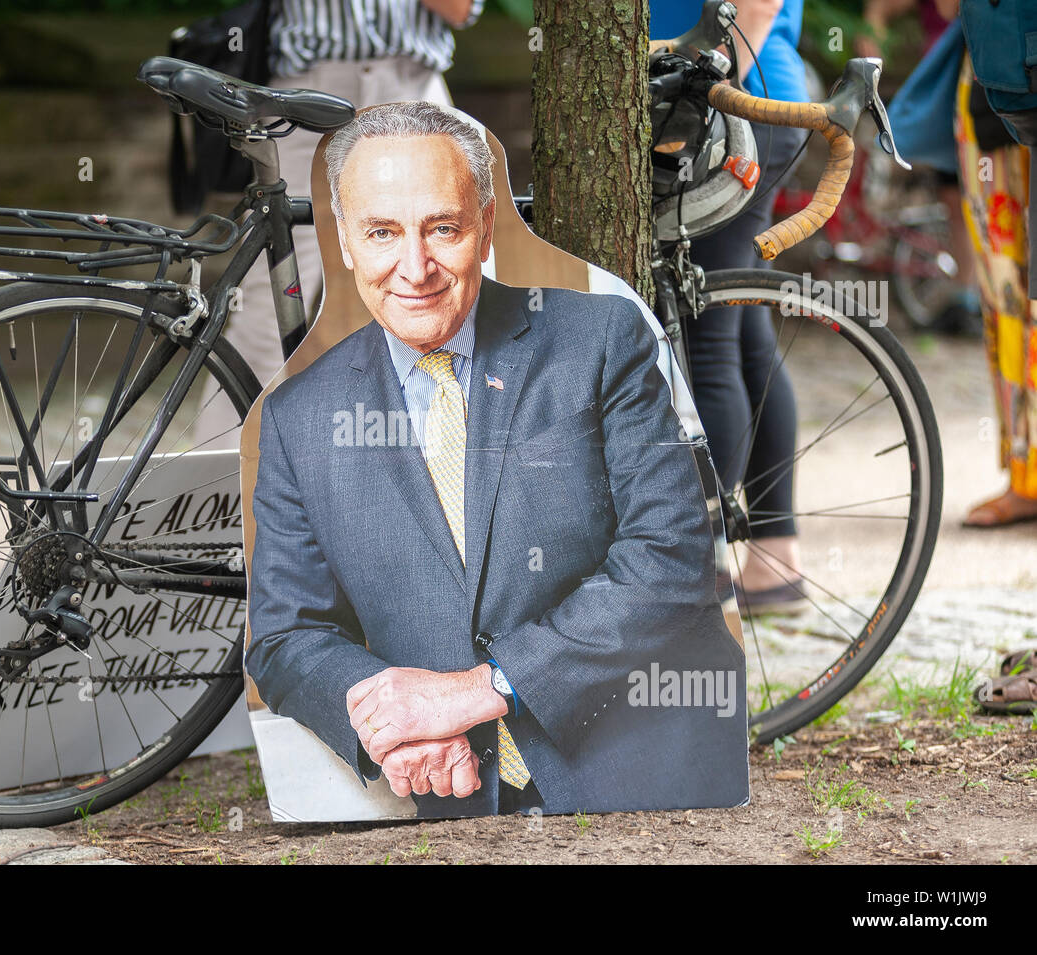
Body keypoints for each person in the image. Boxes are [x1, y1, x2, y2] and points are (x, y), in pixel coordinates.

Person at [245, 102, 747, 817]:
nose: (413, 267)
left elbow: (670, 559)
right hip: (446, 796)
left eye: (441, 228)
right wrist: (392, 721)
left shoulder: (602, 338)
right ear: (347, 240)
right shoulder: (298, 418)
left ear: (484, 227)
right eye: (382, 232)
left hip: (646, 779)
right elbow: (287, 635)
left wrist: (479, 690)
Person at [198, 0, 484, 450]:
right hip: (307, 98)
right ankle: (216, 481)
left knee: (458, 289)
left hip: (413, 87)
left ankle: (461, 467)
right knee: (268, 296)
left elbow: (461, 9)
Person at [650, 0, 810, 614]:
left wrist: (701, 94)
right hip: (745, 97)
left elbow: (761, 4)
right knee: (745, 336)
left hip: (728, 106)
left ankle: (700, 565)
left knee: (709, 339)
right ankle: (776, 556)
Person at [954, 56, 1037, 526]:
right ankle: (1027, 472)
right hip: (1000, 96)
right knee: (1010, 292)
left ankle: (1028, 473)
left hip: (1001, 81)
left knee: (1009, 291)